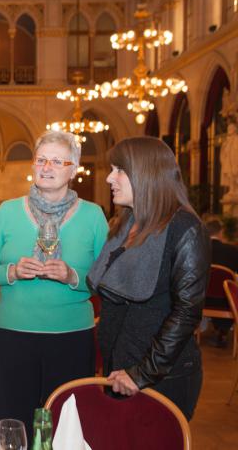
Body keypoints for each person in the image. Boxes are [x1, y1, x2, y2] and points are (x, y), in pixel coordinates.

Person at [0, 130, 108, 439]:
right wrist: (10, 271)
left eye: (58, 161)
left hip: (72, 339)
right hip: (13, 338)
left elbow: (107, 279)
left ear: (73, 169)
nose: (47, 167)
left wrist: (72, 277)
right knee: (13, 426)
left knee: (67, 430)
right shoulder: (8, 211)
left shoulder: (93, 216)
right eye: (41, 160)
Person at [87, 136, 209, 420]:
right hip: (119, 368)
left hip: (160, 377)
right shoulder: (126, 222)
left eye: (119, 170)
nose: (109, 178)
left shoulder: (185, 228)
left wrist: (142, 373)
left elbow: (187, 313)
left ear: (146, 173)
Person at [204, 218, 238, 346]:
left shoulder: (199, 249)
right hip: (227, 300)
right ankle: (223, 330)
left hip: (203, 299)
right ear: (221, 232)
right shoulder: (232, 251)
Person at [221, 122, 238, 200]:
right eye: (228, 129)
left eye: (231, 128)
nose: (229, 130)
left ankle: (235, 190)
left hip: (235, 161)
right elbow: (223, 152)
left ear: (235, 130)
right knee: (230, 176)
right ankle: (232, 190)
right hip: (228, 161)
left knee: (235, 175)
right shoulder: (227, 141)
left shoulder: (236, 139)